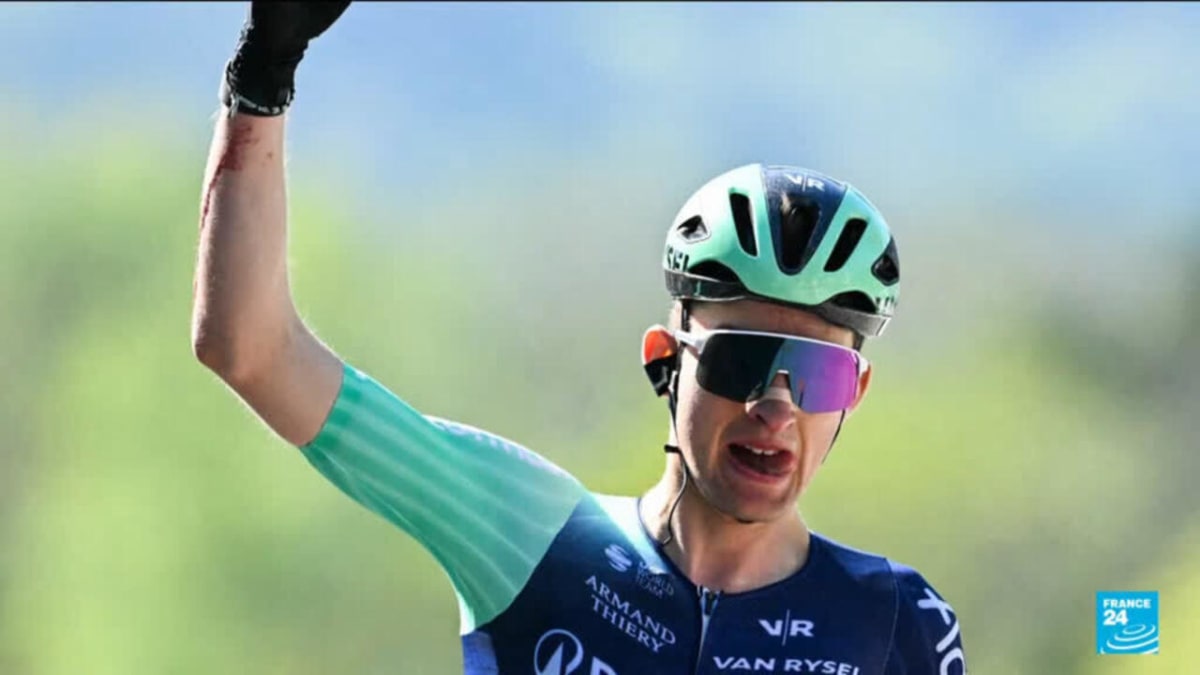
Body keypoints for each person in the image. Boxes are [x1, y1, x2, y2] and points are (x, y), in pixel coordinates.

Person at [191, 3, 968, 674]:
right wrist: (263, 74)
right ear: (665, 362)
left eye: (817, 376)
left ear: (854, 394)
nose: (776, 407)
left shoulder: (897, 620)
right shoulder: (530, 531)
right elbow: (251, 348)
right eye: (744, 361)